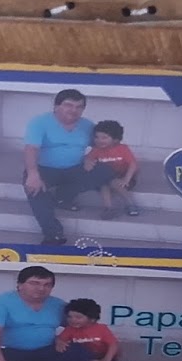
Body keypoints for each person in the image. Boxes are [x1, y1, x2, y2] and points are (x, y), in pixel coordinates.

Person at [22, 89, 114, 246]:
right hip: (45, 169)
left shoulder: (87, 125)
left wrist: (89, 158)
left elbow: (102, 146)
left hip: (74, 168)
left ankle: (62, 197)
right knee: (34, 190)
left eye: (79, 107)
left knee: (106, 171)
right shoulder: (39, 122)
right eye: (68, 105)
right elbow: (31, 149)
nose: (74, 110)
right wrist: (32, 173)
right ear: (56, 106)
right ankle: (53, 234)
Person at [56, 298, 125, 361]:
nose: (72, 320)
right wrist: (59, 342)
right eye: (70, 317)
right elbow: (60, 339)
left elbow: (113, 344)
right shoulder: (70, 329)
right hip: (82, 358)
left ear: (92, 319)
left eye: (78, 317)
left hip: (103, 357)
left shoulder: (101, 329)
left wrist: (106, 360)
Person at [83, 120, 141, 219]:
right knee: (103, 184)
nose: (99, 140)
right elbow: (88, 158)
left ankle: (130, 204)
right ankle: (108, 208)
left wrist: (126, 179)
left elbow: (133, 164)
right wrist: (87, 162)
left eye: (104, 137)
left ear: (115, 139)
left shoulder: (122, 149)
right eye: (96, 137)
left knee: (113, 182)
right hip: (106, 176)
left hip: (124, 176)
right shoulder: (96, 150)